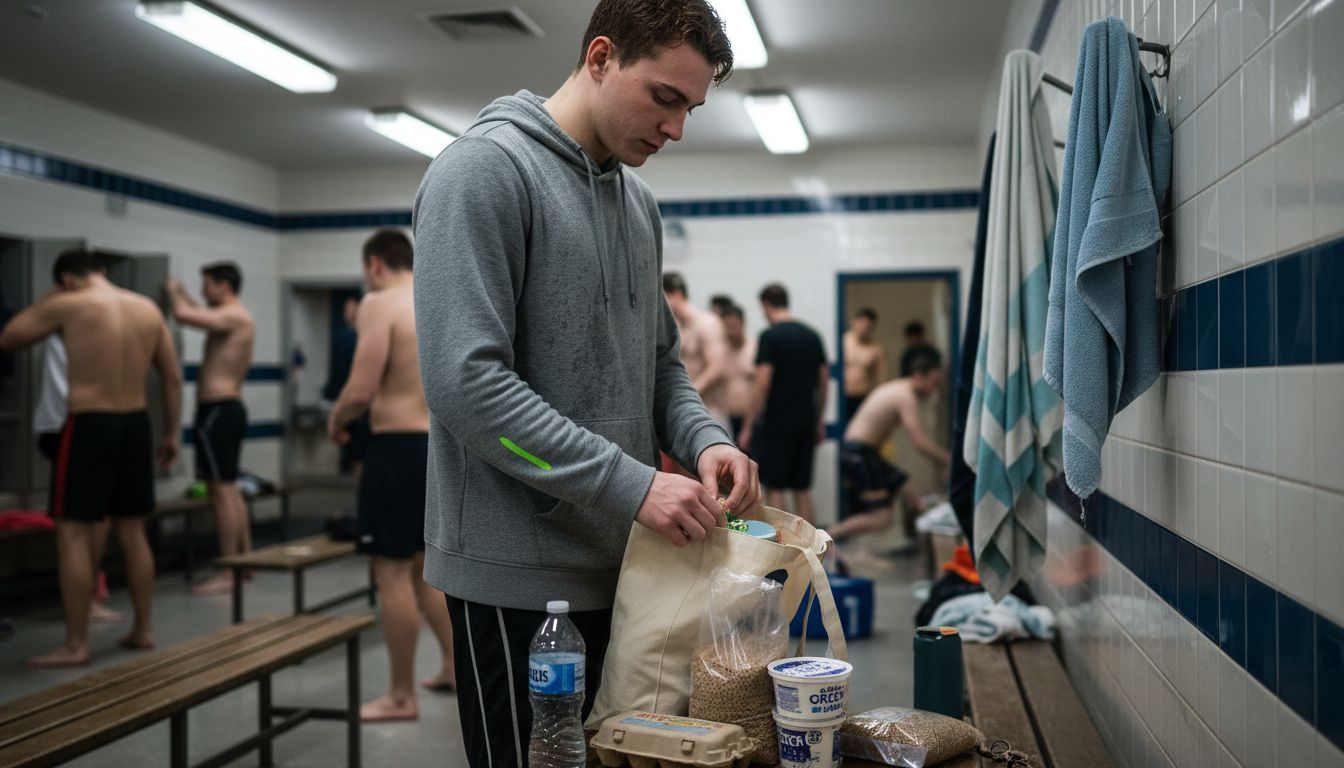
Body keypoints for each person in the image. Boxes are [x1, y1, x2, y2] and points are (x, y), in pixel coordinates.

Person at [412, 1, 754, 764]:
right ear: (600, 58)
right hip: (516, 577)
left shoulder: (638, 203)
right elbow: (466, 386)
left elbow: (660, 364)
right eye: (664, 98)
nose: (676, 128)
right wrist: (633, 484)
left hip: (626, 566)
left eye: (690, 109)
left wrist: (706, 441)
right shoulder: (483, 172)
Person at [0, 249, 181, 667]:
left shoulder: (69, 303)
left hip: (90, 424)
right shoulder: (146, 308)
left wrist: (49, 298)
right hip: (136, 424)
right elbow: (171, 377)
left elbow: (9, 337)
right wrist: (171, 432)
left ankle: (76, 644)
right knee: (133, 530)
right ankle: (143, 629)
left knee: (72, 533)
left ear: (66, 278)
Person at [327, 230, 456, 722]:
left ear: (375, 264)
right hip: (435, 449)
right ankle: (454, 668)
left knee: (391, 573)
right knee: (427, 570)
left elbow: (361, 390)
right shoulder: (435, 297)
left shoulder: (378, 303)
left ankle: (401, 696)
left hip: (394, 449)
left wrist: (335, 420)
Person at [166, 263, 256, 596]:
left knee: (221, 493)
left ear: (224, 286)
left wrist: (173, 290)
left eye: (206, 286)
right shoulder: (235, 315)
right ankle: (245, 561)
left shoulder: (233, 316)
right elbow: (199, 311)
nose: (202, 293)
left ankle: (228, 571)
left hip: (218, 410)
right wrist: (187, 295)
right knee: (229, 490)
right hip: (225, 409)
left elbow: (183, 315)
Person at [33, 334, 121, 624]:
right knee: (79, 524)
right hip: (69, 425)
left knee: (91, 519)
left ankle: (88, 596)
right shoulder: (79, 322)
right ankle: (85, 601)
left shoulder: (72, 321)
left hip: (76, 424)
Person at [829, 348, 951, 543]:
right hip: (857, 453)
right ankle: (827, 537)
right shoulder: (905, 395)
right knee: (882, 519)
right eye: (933, 383)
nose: (934, 390)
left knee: (910, 489)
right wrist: (950, 460)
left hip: (865, 452)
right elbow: (920, 443)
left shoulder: (900, 389)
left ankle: (912, 541)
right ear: (919, 376)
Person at [740, 283, 827, 524]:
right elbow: (823, 382)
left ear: (766, 305)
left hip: (777, 423)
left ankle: (786, 544)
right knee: (802, 488)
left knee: (775, 487)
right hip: (806, 421)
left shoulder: (770, 336)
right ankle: (812, 544)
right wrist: (818, 420)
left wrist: (748, 426)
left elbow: (763, 383)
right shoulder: (812, 336)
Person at [662, 272, 730, 422]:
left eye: (662, 299)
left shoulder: (708, 323)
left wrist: (688, 393)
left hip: (709, 411)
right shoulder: (679, 328)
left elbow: (717, 367)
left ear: (677, 295)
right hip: (687, 409)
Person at [324, 296, 371, 478]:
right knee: (356, 455)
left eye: (351, 308)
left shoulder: (362, 337)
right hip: (353, 402)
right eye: (346, 309)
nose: (347, 313)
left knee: (360, 456)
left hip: (360, 404)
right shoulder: (346, 336)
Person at [718, 304, 756, 445]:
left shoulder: (755, 347)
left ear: (742, 323)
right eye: (727, 326)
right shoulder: (720, 352)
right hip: (726, 418)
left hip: (752, 418)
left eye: (733, 325)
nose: (730, 330)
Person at [843, 307, 887, 422]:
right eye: (862, 324)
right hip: (842, 397)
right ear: (854, 322)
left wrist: (880, 402)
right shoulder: (842, 342)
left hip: (863, 397)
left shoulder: (875, 349)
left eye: (868, 327)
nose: (864, 329)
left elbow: (882, 378)